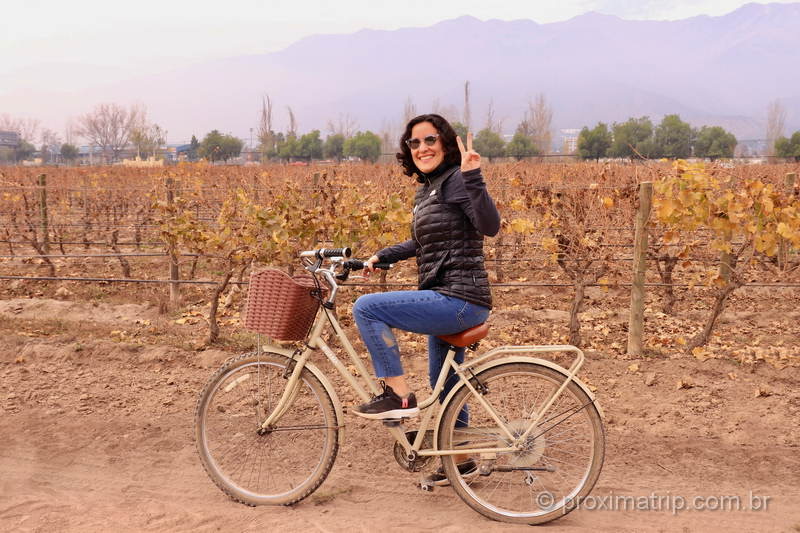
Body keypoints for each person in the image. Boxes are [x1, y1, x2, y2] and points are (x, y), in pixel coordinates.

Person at [351, 113, 500, 424]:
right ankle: (461, 461)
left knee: (367, 308)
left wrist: (473, 176)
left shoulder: (457, 179)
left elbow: (490, 226)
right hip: (449, 296)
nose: (422, 148)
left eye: (430, 139)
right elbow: (425, 241)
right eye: (414, 142)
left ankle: (398, 397)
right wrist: (383, 255)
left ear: (445, 143)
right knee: (445, 385)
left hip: (460, 300)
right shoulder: (429, 189)